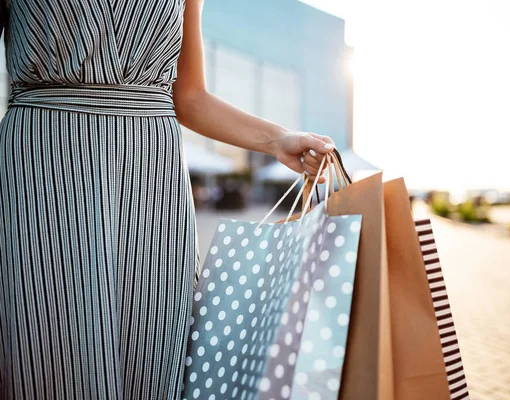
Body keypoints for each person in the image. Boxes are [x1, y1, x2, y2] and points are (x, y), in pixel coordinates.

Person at [0, 0, 335, 398]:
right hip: (44, 173)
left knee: (157, 356)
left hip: (155, 186)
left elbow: (189, 96)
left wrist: (278, 141)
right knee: (50, 352)